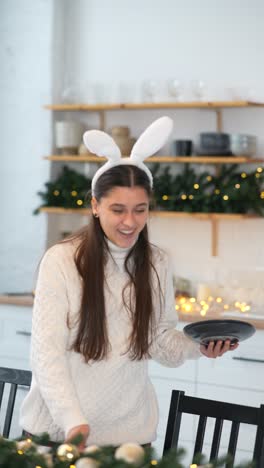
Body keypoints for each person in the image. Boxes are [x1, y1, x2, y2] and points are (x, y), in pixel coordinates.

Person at [20, 117, 238, 449]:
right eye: (117, 209)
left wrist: (199, 347)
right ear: (95, 206)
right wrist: (73, 421)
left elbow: (158, 341)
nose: (129, 222)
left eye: (140, 209)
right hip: (61, 436)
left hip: (130, 440)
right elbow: (46, 354)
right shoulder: (62, 261)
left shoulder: (156, 262)